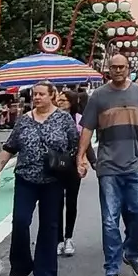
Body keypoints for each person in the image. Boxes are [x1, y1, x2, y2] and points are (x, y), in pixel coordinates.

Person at [77, 54, 138, 276]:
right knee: (109, 220)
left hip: (137, 163)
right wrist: (81, 156)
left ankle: (132, 252)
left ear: (128, 69)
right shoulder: (99, 96)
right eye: (113, 67)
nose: (117, 70)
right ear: (108, 69)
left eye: (121, 67)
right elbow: (86, 128)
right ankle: (112, 267)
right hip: (109, 166)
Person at [0, 82, 79, 276]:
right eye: (34, 94)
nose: (37, 97)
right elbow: (9, 148)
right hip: (25, 178)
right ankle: (19, 268)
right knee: (20, 221)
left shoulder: (64, 119)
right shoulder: (23, 121)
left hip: (53, 180)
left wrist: (74, 163)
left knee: (49, 225)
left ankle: (45, 272)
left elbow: (75, 145)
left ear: (52, 96)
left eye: (41, 94)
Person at [52, 92, 83, 256]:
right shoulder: (52, 118)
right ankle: (57, 239)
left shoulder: (79, 119)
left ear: (71, 102)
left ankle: (68, 237)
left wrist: (90, 162)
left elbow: (85, 144)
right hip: (56, 163)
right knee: (56, 202)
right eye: (59, 100)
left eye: (64, 100)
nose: (61, 102)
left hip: (73, 164)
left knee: (71, 202)